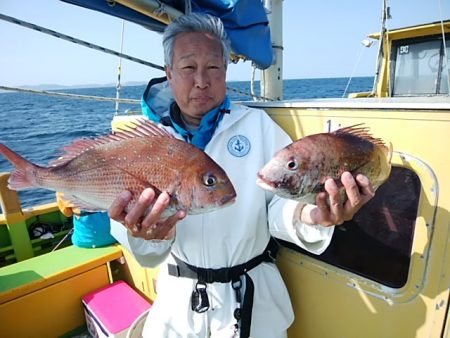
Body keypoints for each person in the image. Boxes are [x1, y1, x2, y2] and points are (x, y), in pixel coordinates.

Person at [108, 13, 374, 338]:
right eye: (189, 68)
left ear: (226, 70)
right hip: (177, 307)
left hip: (253, 301)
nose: (202, 81)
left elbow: (280, 206)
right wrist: (142, 234)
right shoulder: (146, 144)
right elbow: (142, 246)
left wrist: (313, 214)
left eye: (213, 68)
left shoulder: (259, 128)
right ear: (169, 74)